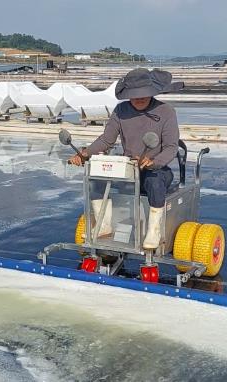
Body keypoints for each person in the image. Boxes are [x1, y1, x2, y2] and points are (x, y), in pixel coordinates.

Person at [69, 68, 182, 250]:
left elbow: (171, 146)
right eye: (134, 95)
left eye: (143, 93)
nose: (139, 98)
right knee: (96, 179)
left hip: (156, 170)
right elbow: (106, 140)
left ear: (151, 91)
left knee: (154, 182)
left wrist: (155, 162)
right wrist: (84, 154)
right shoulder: (121, 110)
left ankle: (154, 231)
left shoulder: (166, 111)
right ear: (127, 94)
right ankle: (104, 226)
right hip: (128, 169)